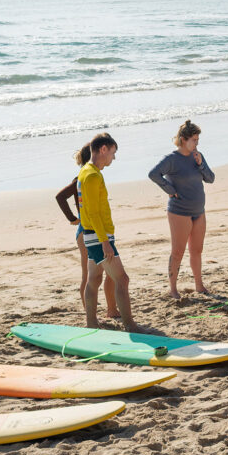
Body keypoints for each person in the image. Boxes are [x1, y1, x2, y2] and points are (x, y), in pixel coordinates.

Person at [148, 119, 215, 299]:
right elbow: (153, 174)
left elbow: (210, 179)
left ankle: (199, 286)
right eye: (194, 140)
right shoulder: (171, 159)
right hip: (179, 212)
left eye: (198, 140)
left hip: (199, 211)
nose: (196, 143)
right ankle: (173, 289)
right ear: (183, 139)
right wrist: (170, 190)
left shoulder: (197, 156)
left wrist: (201, 163)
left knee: (197, 250)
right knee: (178, 251)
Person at [78, 133, 138, 331]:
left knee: (94, 279)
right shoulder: (93, 175)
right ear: (103, 149)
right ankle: (130, 326)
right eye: (112, 153)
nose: (113, 157)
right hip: (98, 237)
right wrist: (105, 241)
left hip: (92, 235)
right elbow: (93, 212)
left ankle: (91, 323)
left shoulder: (86, 172)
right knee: (122, 279)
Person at [55, 143, 119, 318]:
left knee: (109, 274)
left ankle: (112, 310)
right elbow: (60, 197)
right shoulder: (83, 179)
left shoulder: (93, 176)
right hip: (86, 230)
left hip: (94, 229)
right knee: (90, 276)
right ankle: (89, 313)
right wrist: (73, 219)